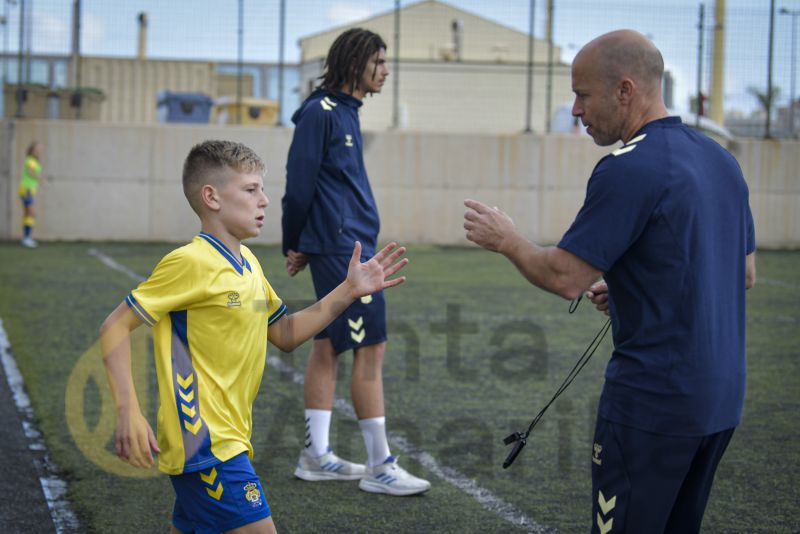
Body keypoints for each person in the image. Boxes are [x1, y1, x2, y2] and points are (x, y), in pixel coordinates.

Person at [464, 30, 756, 533]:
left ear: (625, 90)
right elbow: (742, 273)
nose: (576, 110)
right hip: (720, 400)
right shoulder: (721, 160)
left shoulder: (629, 166)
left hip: (653, 406)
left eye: (582, 94)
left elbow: (566, 278)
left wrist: (507, 239)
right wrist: (628, 289)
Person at [100, 140, 408, 534]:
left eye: (262, 189)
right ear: (211, 197)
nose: (264, 200)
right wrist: (128, 411)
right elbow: (114, 326)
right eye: (250, 189)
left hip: (231, 438)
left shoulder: (248, 263)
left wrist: (347, 290)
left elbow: (283, 333)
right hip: (207, 444)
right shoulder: (190, 262)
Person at [281, 28, 430, 496]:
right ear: (357, 61)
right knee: (371, 350)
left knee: (327, 347)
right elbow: (298, 184)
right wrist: (295, 243)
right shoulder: (320, 112)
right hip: (342, 250)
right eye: (380, 62)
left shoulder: (344, 111)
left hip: (346, 245)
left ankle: (316, 456)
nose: (386, 71)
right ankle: (380, 466)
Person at [18, 141, 44, 248]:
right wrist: (40, 179)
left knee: (27, 214)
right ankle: (27, 238)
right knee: (31, 213)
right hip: (27, 189)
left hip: (28, 190)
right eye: (37, 149)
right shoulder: (30, 160)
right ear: (32, 150)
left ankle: (26, 237)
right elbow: (30, 172)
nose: (39, 151)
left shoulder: (34, 161)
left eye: (40, 149)